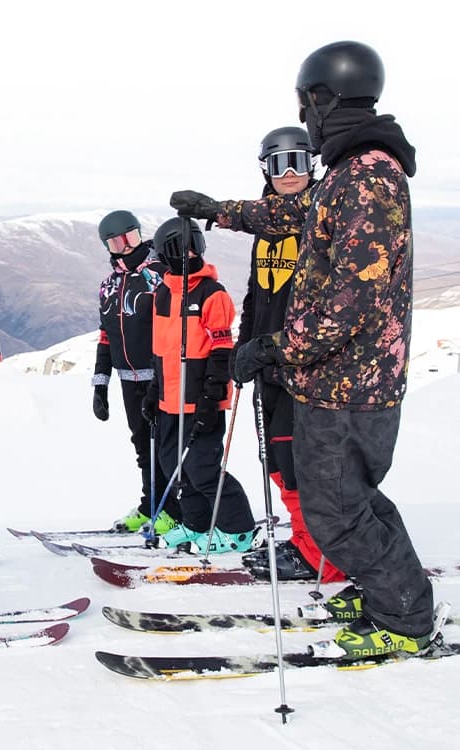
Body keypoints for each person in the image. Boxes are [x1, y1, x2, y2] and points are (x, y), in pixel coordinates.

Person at [170, 41, 434, 658]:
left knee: (334, 510)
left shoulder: (366, 179)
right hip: (344, 379)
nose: (306, 120)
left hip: (348, 382)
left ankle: (404, 621)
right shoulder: (351, 172)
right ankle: (391, 594)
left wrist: (275, 348)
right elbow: (291, 216)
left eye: (306, 105)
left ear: (322, 100)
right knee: (354, 499)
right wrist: (219, 213)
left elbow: (350, 300)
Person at [231, 127, 345, 583]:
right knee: (276, 462)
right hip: (268, 364)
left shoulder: (320, 217)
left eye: (300, 160)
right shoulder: (267, 234)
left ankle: (324, 553)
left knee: (302, 464)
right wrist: (244, 346)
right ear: (266, 170)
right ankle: (304, 541)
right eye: (280, 164)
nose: (292, 172)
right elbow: (258, 297)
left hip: (308, 368)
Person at [141, 217, 256, 552]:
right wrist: (153, 391)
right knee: (172, 467)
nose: (189, 254)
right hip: (169, 400)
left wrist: (213, 394)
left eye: (194, 246)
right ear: (166, 254)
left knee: (202, 468)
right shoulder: (162, 295)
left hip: (200, 400)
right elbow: (160, 349)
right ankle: (197, 523)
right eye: (180, 248)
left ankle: (238, 530)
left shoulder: (212, 294)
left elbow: (222, 350)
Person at [92, 210, 179, 535]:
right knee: (143, 446)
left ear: (141, 234)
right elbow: (105, 335)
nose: (126, 247)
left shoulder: (159, 275)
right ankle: (151, 505)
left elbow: (171, 328)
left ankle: (173, 510)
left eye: (131, 237)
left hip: (161, 377)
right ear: (109, 247)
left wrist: (162, 375)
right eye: (117, 242)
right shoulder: (109, 286)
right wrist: (100, 384)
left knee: (165, 447)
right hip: (129, 380)